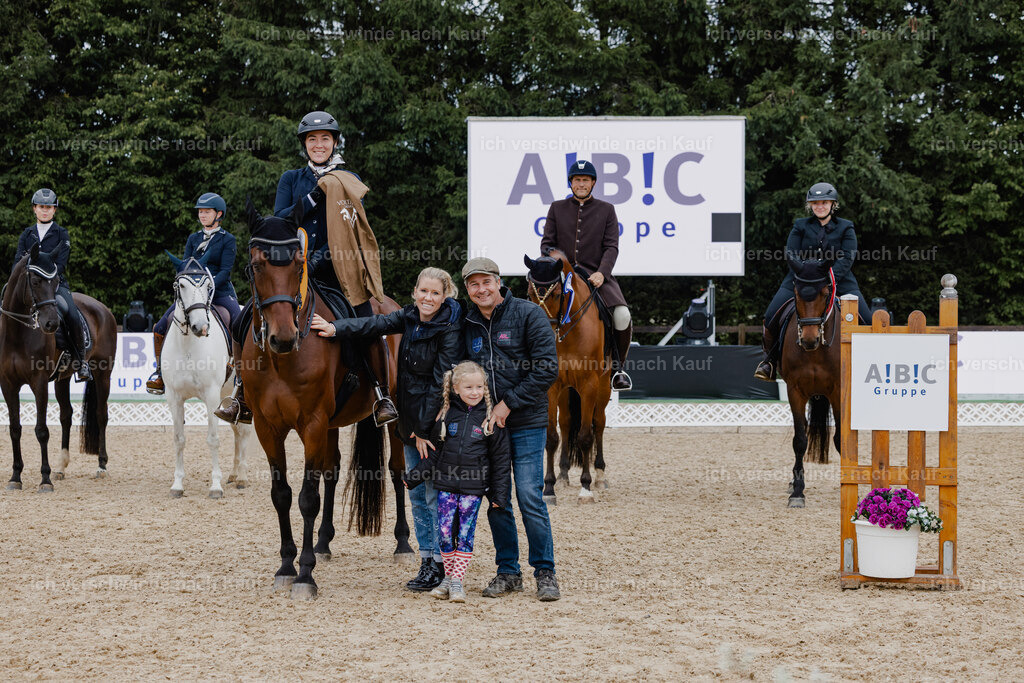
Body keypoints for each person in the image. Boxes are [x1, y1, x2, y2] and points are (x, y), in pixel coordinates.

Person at [215, 109, 397, 425]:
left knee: (367, 320)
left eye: (324, 138)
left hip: (335, 270)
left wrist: (317, 259)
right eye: (312, 139)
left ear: (334, 142)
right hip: (290, 268)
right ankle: (241, 394)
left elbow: (351, 229)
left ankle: (381, 394)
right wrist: (314, 197)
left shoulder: (349, 181)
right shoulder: (291, 179)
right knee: (240, 321)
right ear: (305, 144)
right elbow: (278, 222)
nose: (318, 144)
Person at [309, 267, 463, 592]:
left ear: (445, 295)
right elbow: (372, 324)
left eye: (435, 293)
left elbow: (441, 382)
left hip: (432, 426)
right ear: (415, 292)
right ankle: (428, 563)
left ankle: (445, 566)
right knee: (419, 497)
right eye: (423, 291)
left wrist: (423, 429)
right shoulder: (407, 317)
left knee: (435, 495)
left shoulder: (449, 328)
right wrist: (334, 327)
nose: (428, 298)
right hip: (408, 422)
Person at [460, 256, 561, 601]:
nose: (481, 289)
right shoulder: (467, 322)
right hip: (488, 428)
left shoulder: (528, 314)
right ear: (467, 290)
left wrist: (508, 403)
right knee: (497, 500)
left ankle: (545, 571)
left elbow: (547, 368)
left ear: (498, 282)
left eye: (486, 281)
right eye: (473, 284)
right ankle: (508, 572)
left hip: (527, 421)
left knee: (530, 495)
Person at [404, 361, 511, 603]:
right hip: (446, 487)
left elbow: (501, 462)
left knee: (464, 534)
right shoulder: (446, 416)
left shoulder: (490, 420)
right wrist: (414, 477)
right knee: (443, 533)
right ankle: (447, 579)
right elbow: (435, 454)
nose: (475, 392)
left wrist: (499, 495)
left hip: (473, 491)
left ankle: (457, 582)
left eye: (479, 387)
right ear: (455, 388)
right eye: (469, 387)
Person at [754, 182, 873, 381]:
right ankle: (769, 362)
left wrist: (828, 278)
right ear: (810, 205)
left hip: (840, 281)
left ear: (832, 205)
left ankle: (870, 364)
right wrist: (807, 276)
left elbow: (847, 258)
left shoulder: (846, 227)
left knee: (868, 320)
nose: (820, 206)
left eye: (824, 203)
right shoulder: (800, 226)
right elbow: (791, 254)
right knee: (770, 315)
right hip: (801, 280)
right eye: (815, 203)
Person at [541, 158, 633, 391]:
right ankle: (542, 366)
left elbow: (611, 247)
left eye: (585, 180)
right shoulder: (556, 208)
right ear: (570, 183)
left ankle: (617, 368)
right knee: (541, 308)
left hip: (596, 276)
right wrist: (558, 264)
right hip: (562, 276)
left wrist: (602, 273)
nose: (581, 184)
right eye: (577, 180)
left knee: (621, 315)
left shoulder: (606, 210)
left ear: (593, 183)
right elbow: (546, 245)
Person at [146, 193, 240, 394]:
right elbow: (185, 267)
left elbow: (225, 271)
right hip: (192, 296)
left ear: (219, 214)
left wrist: (207, 287)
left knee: (240, 323)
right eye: (200, 212)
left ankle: (242, 375)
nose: (202, 215)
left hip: (220, 293)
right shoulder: (193, 238)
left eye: (207, 212)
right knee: (161, 326)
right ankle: (160, 373)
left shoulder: (228, 240)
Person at [13, 188, 91, 382]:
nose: (45, 210)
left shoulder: (62, 234)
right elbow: (17, 263)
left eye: (49, 207)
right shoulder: (27, 234)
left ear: (54, 210)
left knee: (71, 313)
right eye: (41, 207)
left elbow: (61, 265)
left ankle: (81, 361)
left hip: (54, 285)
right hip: (29, 286)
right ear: (34, 209)